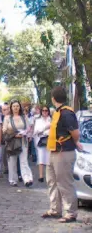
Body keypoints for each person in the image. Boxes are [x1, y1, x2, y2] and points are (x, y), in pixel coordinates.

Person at [42, 86, 81, 223]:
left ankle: (70, 213)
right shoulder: (58, 113)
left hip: (64, 152)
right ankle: (55, 209)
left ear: (53, 99)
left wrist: (76, 142)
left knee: (65, 183)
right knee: (52, 181)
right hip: (54, 151)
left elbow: (75, 132)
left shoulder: (67, 113)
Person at [3, 100, 33, 187]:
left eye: (17, 106)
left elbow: (29, 128)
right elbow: (4, 130)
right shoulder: (7, 118)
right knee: (12, 161)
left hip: (23, 141)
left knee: (23, 161)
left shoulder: (24, 117)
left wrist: (26, 134)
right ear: (11, 108)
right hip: (12, 142)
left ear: (19, 107)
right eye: (14, 106)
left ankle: (27, 179)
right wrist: (14, 134)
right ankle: (13, 180)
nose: (16, 108)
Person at [33, 106, 51, 182]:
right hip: (40, 140)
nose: (44, 112)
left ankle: (48, 176)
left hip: (49, 140)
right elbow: (36, 131)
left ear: (48, 111)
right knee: (40, 158)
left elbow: (52, 131)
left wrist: (44, 131)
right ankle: (41, 176)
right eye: (43, 110)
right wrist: (45, 128)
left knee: (48, 159)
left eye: (46, 110)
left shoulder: (51, 120)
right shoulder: (38, 120)